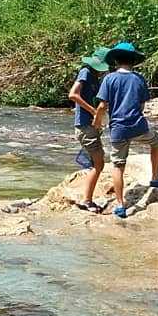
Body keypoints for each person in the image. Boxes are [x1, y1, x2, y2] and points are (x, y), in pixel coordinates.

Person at [91, 42, 158, 219]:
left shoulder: (109, 79)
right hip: (138, 126)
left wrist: (97, 121)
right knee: (155, 141)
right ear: (133, 61)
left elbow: (103, 105)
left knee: (118, 165)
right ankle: (155, 177)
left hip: (118, 130)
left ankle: (121, 205)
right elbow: (142, 106)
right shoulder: (139, 79)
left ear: (116, 61)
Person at [68, 48, 110, 212]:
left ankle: (87, 197)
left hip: (89, 127)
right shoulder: (85, 72)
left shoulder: (94, 77)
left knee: (96, 163)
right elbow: (73, 94)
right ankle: (87, 200)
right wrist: (93, 112)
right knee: (98, 165)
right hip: (85, 126)